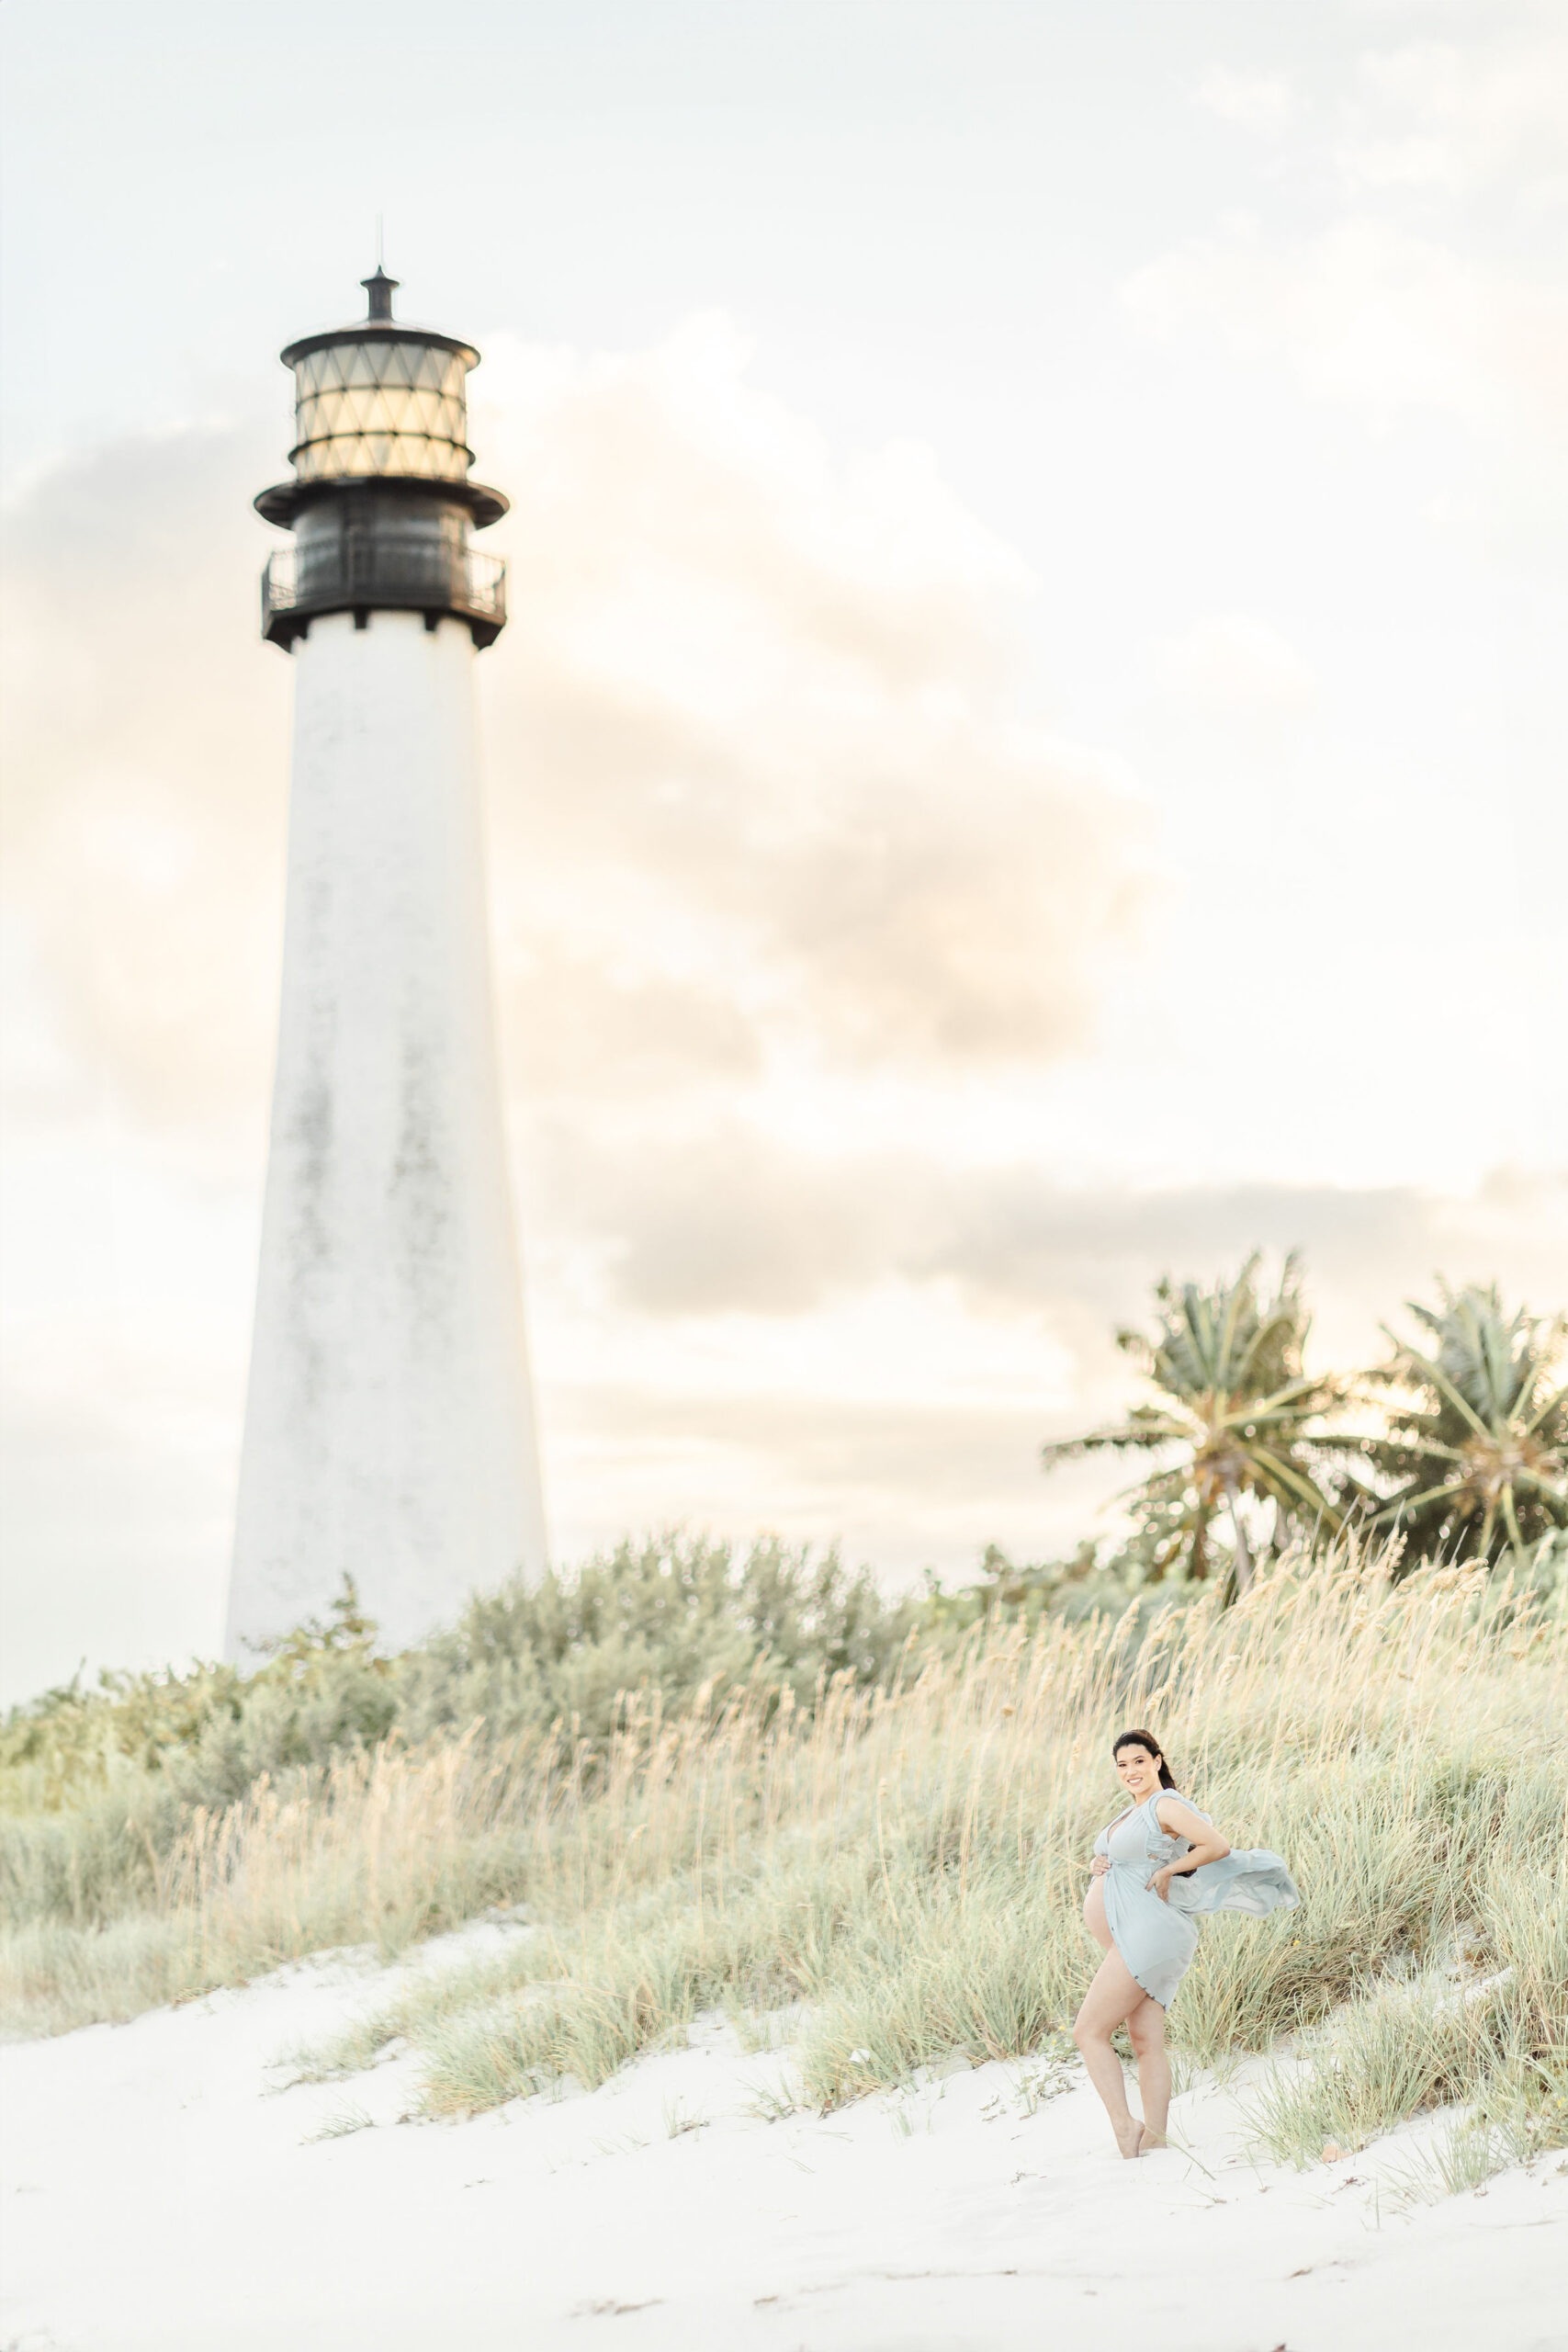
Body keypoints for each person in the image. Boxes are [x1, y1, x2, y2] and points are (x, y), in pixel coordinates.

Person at [1073, 1727, 1299, 2157]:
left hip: (1147, 1934)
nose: (1131, 1771)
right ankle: (1155, 2138)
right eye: (1122, 1765)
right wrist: (1099, 1861)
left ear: (1157, 1761)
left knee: (1088, 2031)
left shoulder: (1165, 1804)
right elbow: (1130, 1857)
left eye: (1139, 1761)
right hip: (1135, 1936)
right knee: (1145, 2041)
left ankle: (1124, 2127)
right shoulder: (1131, 1812)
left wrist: (1168, 1872)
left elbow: (1215, 1844)